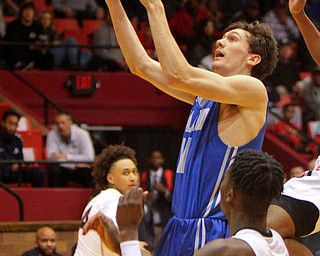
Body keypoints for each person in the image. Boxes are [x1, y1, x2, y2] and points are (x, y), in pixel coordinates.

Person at [104, 0, 278, 254]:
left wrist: (155, 7)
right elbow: (140, 65)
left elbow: (178, 73)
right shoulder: (205, 97)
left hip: (212, 228)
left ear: (253, 57)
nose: (220, 42)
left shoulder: (254, 91)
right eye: (222, 38)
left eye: (232, 39)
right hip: (178, 225)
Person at [83, 150, 295, 256]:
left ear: (229, 195)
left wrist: (129, 232)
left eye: (223, 181)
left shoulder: (223, 250)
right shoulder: (277, 241)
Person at [74, 144, 149, 256]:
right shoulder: (113, 200)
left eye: (134, 172)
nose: (133, 177)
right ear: (110, 178)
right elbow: (109, 249)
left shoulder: (98, 199)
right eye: (126, 173)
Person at [46, 112, 95, 187]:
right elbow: (51, 157)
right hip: (62, 169)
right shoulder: (52, 134)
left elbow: (89, 157)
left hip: (80, 170)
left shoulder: (82, 134)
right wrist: (75, 162)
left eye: (63, 123)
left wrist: (64, 157)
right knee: (54, 170)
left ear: (70, 122)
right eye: (57, 123)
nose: (60, 126)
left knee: (90, 173)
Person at [3, 0, 53, 70]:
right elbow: (12, 43)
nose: (28, 13)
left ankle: (49, 76)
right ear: (21, 12)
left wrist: (41, 45)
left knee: (48, 56)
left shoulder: (38, 26)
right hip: (19, 54)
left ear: (33, 13)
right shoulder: (13, 26)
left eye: (31, 10)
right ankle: (20, 67)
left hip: (34, 53)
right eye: (26, 10)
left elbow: (44, 39)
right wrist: (31, 46)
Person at [0, 109, 45, 187]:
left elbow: (20, 159)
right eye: (10, 124)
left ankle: (37, 198)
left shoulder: (18, 140)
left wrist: (22, 165)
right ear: (3, 123)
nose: (12, 128)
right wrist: (11, 167)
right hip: (2, 171)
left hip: (14, 172)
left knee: (39, 173)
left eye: (15, 125)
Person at [140, 150, 174, 244]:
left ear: (162, 160)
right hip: (149, 222)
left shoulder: (169, 175)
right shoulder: (143, 176)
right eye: (153, 158)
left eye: (158, 158)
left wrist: (164, 191)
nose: (155, 160)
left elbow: (176, 199)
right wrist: (146, 197)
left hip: (164, 219)